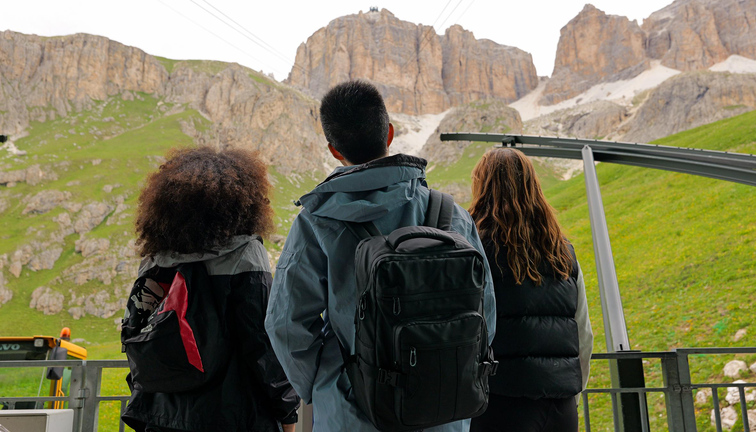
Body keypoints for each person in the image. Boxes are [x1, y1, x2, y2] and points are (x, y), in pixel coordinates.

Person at [265, 80, 497, 432]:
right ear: (388, 133)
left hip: (353, 414)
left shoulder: (317, 221)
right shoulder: (451, 214)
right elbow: (487, 312)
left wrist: (324, 385)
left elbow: (286, 324)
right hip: (443, 413)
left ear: (333, 149)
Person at [121, 147, 300, 432]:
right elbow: (261, 344)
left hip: (162, 415)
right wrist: (287, 411)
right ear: (243, 204)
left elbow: (135, 333)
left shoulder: (155, 260)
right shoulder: (247, 254)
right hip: (235, 415)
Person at [467, 148, 593, 432]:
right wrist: (570, 388)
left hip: (498, 402)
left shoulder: (474, 248)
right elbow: (583, 331)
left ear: (481, 187)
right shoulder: (563, 252)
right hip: (560, 408)